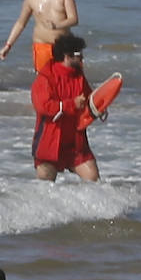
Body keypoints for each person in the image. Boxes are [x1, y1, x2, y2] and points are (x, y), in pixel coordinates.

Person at [30, 33, 100, 182]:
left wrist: (99, 107)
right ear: (67, 56)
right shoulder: (45, 78)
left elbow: (90, 99)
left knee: (94, 180)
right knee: (46, 187)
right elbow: (43, 106)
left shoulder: (79, 77)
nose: (82, 58)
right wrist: (70, 104)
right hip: (49, 142)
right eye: (79, 55)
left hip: (75, 143)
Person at [0, 0, 79, 72]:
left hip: (64, 45)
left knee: (69, 77)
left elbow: (74, 19)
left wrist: (57, 25)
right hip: (42, 45)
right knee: (44, 79)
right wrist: (8, 45)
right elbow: (21, 23)